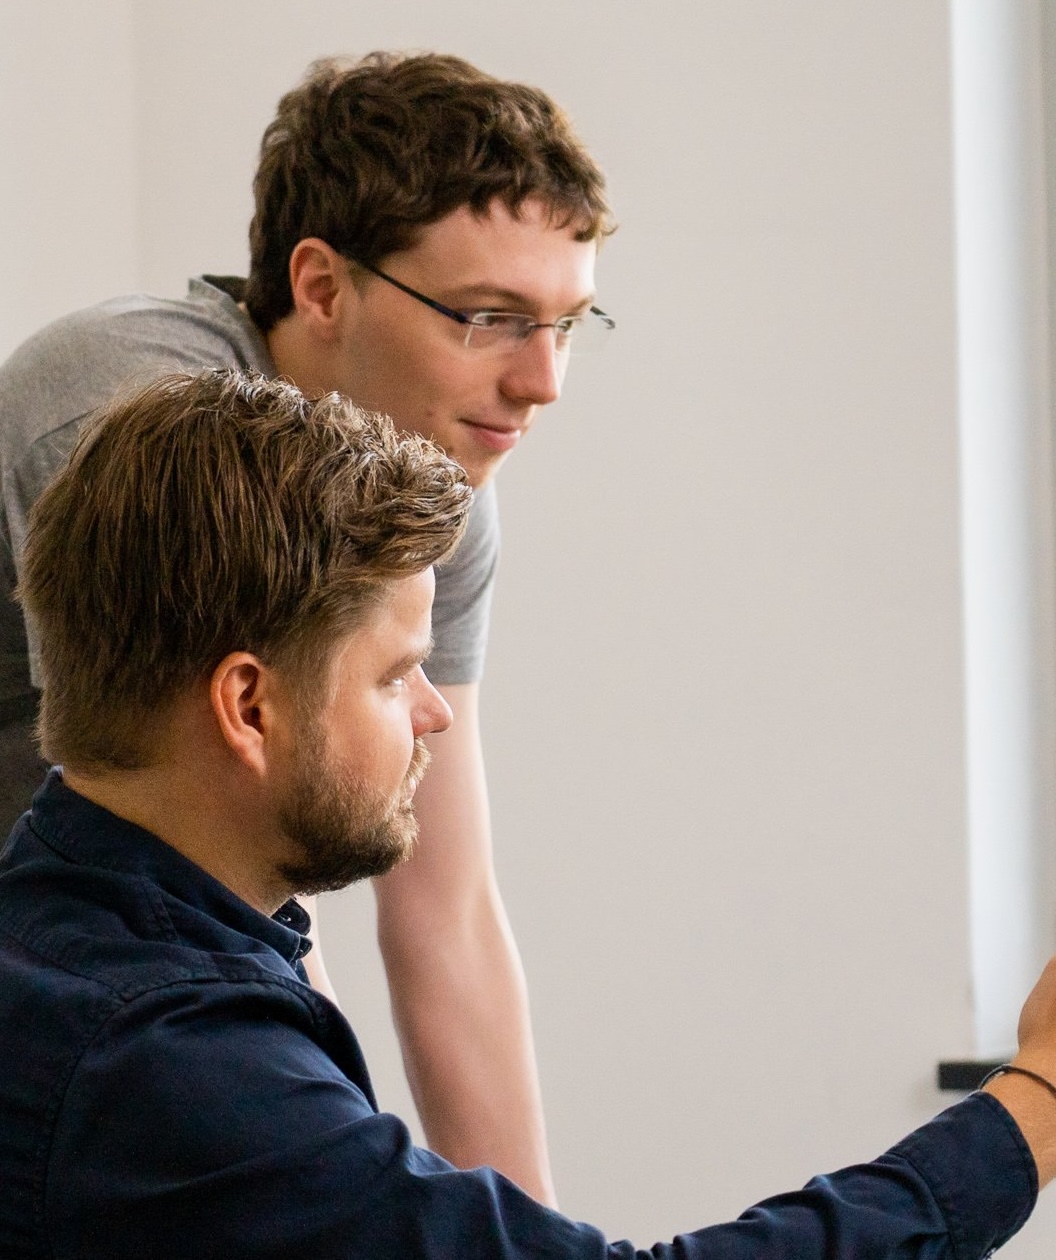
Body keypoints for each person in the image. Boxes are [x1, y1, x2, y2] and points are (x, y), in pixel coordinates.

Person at [0, 368, 1056, 1258]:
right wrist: (1046, 1111)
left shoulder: (93, 948)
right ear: (249, 706)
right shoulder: (163, 1065)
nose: (434, 716)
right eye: (394, 677)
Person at [0, 50, 615, 1203]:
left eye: (569, 324)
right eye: (490, 318)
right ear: (323, 286)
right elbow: (247, 827)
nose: (544, 382)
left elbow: (449, 913)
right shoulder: (130, 407)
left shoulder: (436, 498)